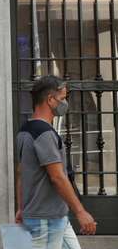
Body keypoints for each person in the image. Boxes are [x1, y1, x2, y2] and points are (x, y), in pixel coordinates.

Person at [15, 75, 97, 249]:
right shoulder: (44, 133)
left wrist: (23, 208)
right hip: (45, 220)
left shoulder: (25, 130)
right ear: (50, 99)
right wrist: (81, 212)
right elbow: (57, 177)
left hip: (55, 215)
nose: (64, 103)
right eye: (62, 99)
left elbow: (22, 174)